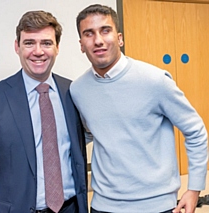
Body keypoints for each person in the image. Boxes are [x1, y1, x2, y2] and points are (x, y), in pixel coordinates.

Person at [70, 4, 208, 213]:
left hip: (156, 206)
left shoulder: (155, 81)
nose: (98, 40)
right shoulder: (78, 89)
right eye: (89, 34)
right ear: (81, 44)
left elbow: (195, 131)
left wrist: (195, 188)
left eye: (105, 30)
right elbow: (87, 133)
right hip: (102, 205)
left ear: (120, 38)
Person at [0, 10, 88, 213]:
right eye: (29, 43)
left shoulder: (73, 92)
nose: (38, 51)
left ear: (57, 47)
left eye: (46, 43)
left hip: (71, 208)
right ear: (17, 47)